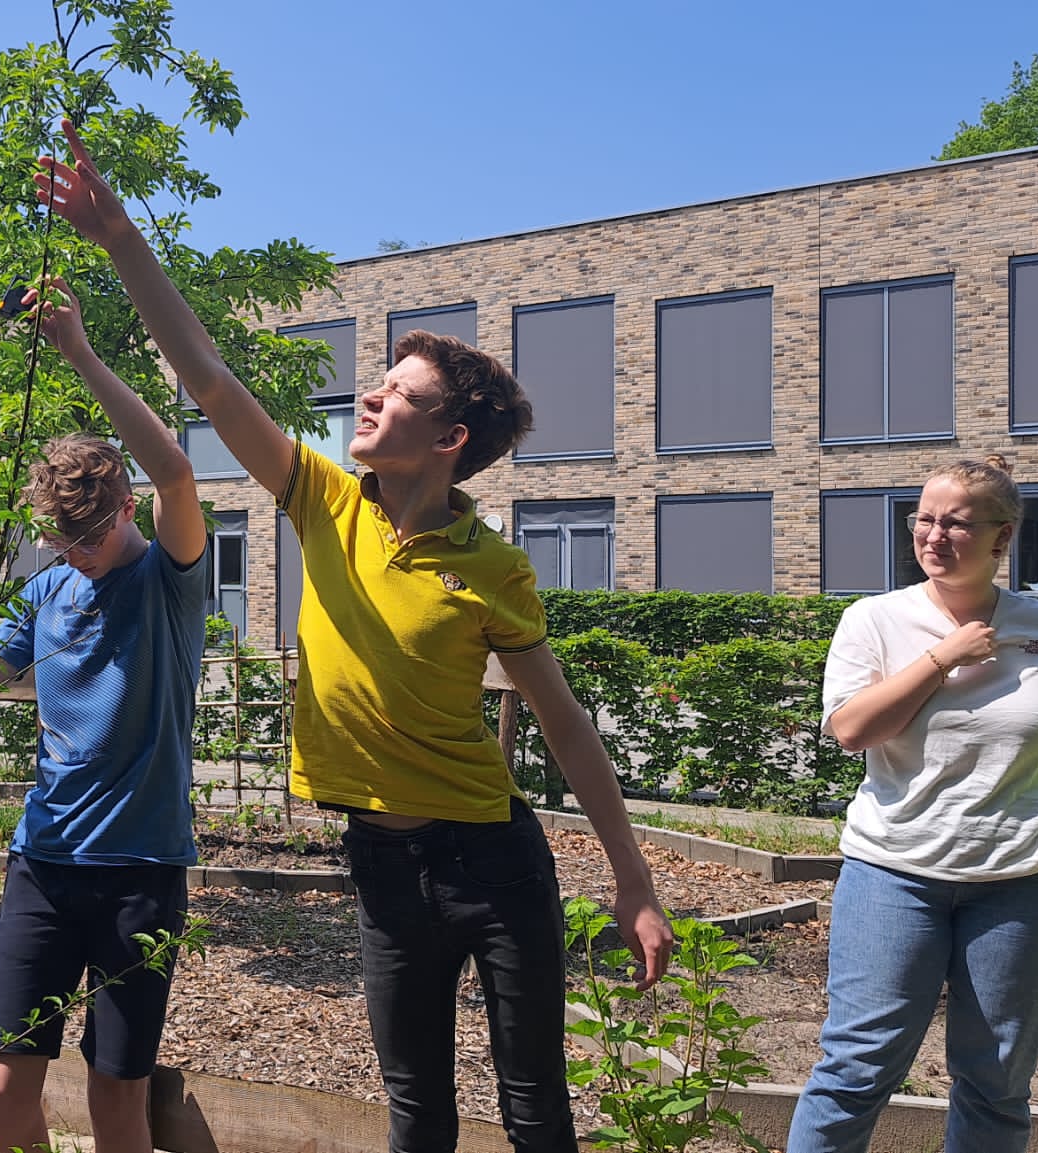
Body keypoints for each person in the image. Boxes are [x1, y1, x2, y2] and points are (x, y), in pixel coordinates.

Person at [36, 120, 672, 1153]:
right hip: (378, 859)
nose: (366, 396)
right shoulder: (319, 499)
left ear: (448, 438)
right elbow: (208, 381)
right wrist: (120, 241)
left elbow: (561, 726)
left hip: (494, 864)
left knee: (535, 1114)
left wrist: (632, 881)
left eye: (397, 393)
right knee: (414, 1113)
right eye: (375, 382)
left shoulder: (492, 569)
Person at [0, 278, 209, 1153]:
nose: (79, 554)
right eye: (63, 540)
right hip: (45, 862)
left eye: (91, 537)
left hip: (142, 870)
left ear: (128, 509)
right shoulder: (44, 590)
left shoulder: (171, 578)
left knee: (116, 1102)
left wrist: (78, 351)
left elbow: (178, 468)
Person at [785, 455, 1038, 1153]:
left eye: (956, 523)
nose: (934, 535)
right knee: (853, 1068)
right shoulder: (874, 621)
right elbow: (850, 730)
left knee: (995, 1083)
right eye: (924, 519)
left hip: (1027, 885)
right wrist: (942, 658)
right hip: (893, 874)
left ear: (1002, 536)